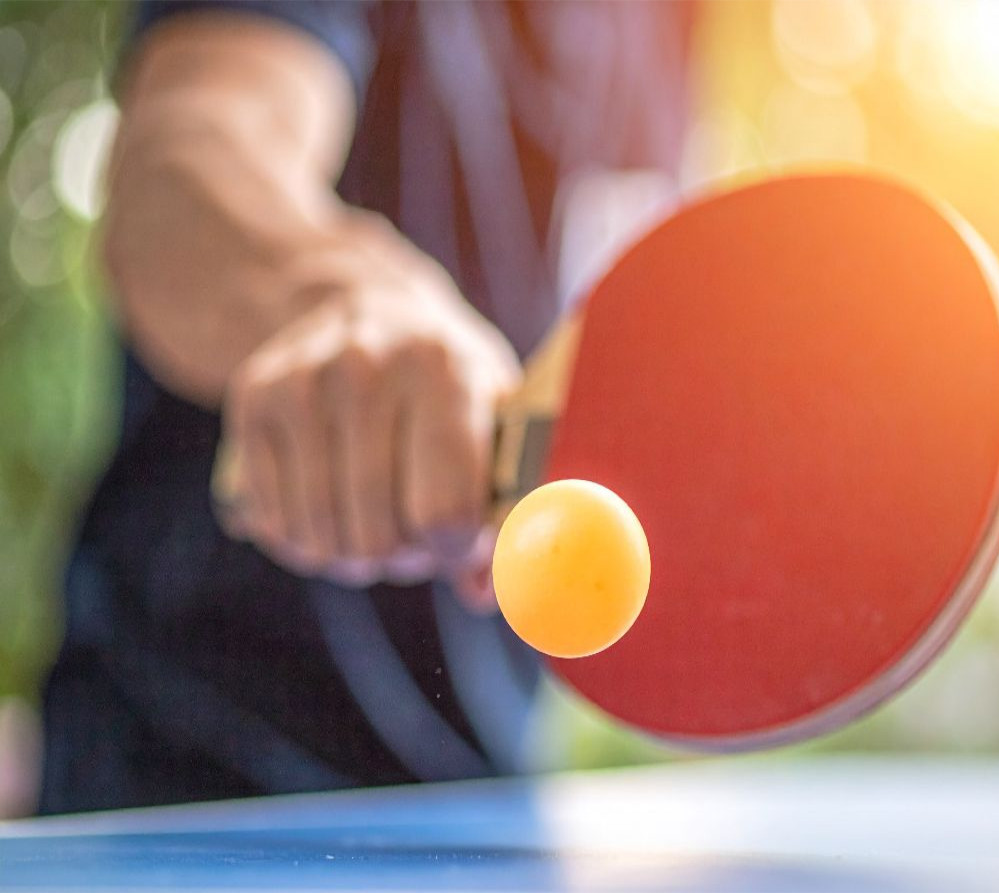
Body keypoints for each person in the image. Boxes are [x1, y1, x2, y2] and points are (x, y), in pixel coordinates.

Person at [38, 0, 692, 814]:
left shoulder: (669, 28)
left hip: (493, 791)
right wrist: (335, 296)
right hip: (185, 773)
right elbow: (182, 167)